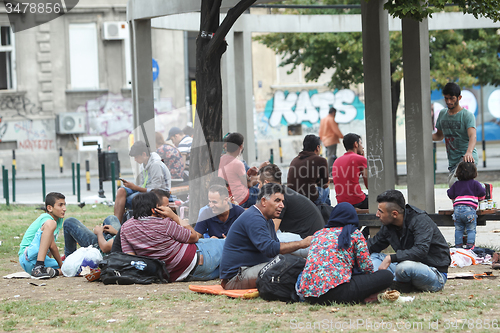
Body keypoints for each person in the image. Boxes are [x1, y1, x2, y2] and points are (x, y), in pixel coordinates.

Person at [220, 183, 312, 290]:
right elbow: (270, 249)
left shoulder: (267, 220)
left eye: (282, 201)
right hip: (236, 278)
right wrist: (302, 244)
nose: (282, 205)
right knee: (286, 266)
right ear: (263, 201)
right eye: (277, 200)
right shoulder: (254, 217)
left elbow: (276, 250)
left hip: (249, 271)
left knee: (293, 263)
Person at [297, 203, 393, 304]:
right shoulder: (354, 234)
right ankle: (368, 296)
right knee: (387, 276)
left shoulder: (318, 234)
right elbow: (366, 267)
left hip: (310, 295)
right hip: (338, 292)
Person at [120, 191, 224, 282]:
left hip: (172, 275)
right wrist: (174, 216)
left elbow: (132, 258)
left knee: (223, 267)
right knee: (227, 243)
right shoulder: (164, 223)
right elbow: (194, 236)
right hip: (197, 260)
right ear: (154, 209)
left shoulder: (125, 227)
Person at [368, 190, 451, 293]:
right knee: (372, 257)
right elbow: (372, 246)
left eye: (380, 211)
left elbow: (420, 250)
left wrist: (391, 258)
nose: (377, 214)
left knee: (404, 267)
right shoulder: (388, 226)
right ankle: (386, 283)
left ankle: (390, 284)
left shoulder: (420, 220)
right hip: (403, 269)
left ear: (394, 214)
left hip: (434, 273)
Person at [258, 164, 324, 238]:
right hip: (314, 238)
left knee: (265, 239)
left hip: (308, 241)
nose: (258, 187)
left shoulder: (280, 198)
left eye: (259, 183)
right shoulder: (285, 192)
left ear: (266, 183)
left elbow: (272, 230)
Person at [432, 82, 478, 187]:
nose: (449, 101)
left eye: (452, 98)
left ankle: (480, 190)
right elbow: (439, 135)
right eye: (446, 98)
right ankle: (481, 192)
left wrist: (469, 152)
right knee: (456, 191)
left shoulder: (467, 115)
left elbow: (473, 136)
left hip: (466, 159)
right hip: (452, 161)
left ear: (459, 97)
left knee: (456, 186)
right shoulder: (443, 114)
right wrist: (423, 136)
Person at [114, 141, 171, 220]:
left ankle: (127, 223)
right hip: (146, 190)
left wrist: (135, 187)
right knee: (121, 191)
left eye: (136, 157)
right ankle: (116, 223)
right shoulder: (143, 165)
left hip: (159, 193)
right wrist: (132, 186)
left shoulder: (156, 165)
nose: (135, 160)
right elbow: (143, 185)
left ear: (144, 154)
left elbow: (155, 190)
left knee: (132, 199)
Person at [18, 192, 66, 279]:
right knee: (51, 223)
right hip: (28, 257)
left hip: (36, 262)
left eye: (65, 205)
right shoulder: (47, 219)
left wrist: (63, 267)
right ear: (49, 208)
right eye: (60, 205)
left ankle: (52, 272)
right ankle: (39, 267)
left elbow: (48, 245)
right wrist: (61, 264)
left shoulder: (58, 220)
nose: (64, 209)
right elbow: (52, 245)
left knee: (71, 267)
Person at [447, 161, 485, 249]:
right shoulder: (475, 184)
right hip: (469, 210)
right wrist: (480, 198)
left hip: (457, 210)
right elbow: (482, 193)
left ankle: (458, 247)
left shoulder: (456, 184)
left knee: (459, 229)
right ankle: (470, 246)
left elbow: (450, 194)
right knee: (471, 229)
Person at [218, 132, 260, 208]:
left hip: (229, 196)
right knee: (263, 193)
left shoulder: (221, 159)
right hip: (241, 199)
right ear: (240, 147)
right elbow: (248, 184)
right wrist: (255, 176)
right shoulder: (238, 163)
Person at [287, 134, 330, 205]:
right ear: (318, 147)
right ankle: (327, 213)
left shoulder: (295, 160)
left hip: (292, 199)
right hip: (310, 199)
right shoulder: (320, 160)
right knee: (326, 190)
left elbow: (307, 178)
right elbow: (324, 184)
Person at [332, 133, 368, 209]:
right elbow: (369, 186)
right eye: (361, 143)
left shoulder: (336, 161)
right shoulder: (360, 159)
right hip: (357, 201)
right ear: (356, 144)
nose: (363, 147)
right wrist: (363, 159)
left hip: (341, 202)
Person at [319, 107, 344, 172]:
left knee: (328, 155)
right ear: (333, 112)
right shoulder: (331, 119)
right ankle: (330, 171)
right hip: (331, 140)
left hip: (325, 140)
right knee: (331, 156)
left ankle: (329, 170)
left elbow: (320, 130)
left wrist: (321, 138)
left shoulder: (323, 119)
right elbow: (335, 129)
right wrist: (342, 136)